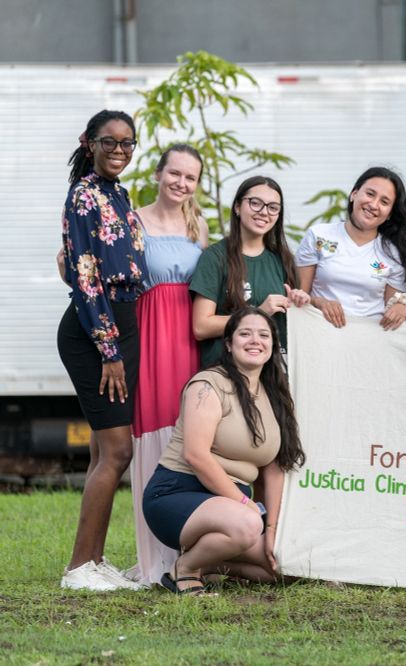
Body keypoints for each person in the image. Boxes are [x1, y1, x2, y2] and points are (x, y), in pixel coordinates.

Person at [142, 307, 305, 595]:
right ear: (228, 344)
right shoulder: (209, 384)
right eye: (245, 333)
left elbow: (275, 469)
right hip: (177, 493)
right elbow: (196, 455)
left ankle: (212, 565)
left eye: (264, 335)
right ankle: (185, 569)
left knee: (287, 563)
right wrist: (246, 506)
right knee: (246, 524)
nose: (255, 340)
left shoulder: (276, 396)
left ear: (272, 347)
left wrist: (272, 530)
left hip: (232, 508)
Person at [57, 109, 147, 591]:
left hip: (121, 326)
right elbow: (87, 275)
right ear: (88, 142)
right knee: (117, 451)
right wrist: (109, 349)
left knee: (101, 450)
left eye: (128, 143)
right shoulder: (85, 195)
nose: (119, 150)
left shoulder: (119, 193)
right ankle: (77, 569)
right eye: (109, 141)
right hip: (96, 331)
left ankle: (94, 561)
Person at [129, 144, 209, 586]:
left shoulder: (198, 224)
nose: (181, 183)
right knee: (154, 436)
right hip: (150, 335)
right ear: (159, 174)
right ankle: (152, 560)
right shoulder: (133, 220)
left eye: (190, 177)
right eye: (174, 173)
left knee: (189, 435)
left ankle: (187, 553)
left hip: (188, 338)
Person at [190, 176, 309, 368]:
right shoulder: (215, 257)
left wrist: (299, 302)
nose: (264, 212)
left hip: (273, 373)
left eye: (272, 207)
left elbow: (297, 329)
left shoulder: (284, 260)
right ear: (237, 207)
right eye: (255, 203)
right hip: (225, 371)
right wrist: (259, 312)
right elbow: (200, 327)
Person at [294, 166, 406, 330]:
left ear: (389, 214)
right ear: (354, 194)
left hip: (369, 340)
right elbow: (298, 296)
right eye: (370, 194)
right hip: (317, 334)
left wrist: (401, 307)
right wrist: (319, 302)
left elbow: (392, 311)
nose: (373, 204)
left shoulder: (394, 254)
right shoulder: (319, 236)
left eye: (384, 202)